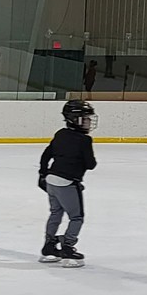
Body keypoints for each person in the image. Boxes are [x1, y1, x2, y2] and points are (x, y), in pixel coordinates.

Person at [37, 100, 98, 266]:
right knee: (76, 217)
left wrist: (42, 174)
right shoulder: (84, 140)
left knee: (55, 212)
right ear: (75, 119)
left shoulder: (60, 134)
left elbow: (46, 155)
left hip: (51, 181)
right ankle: (68, 247)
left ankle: (49, 246)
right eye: (85, 118)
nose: (88, 122)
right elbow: (90, 164)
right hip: (67, 183)